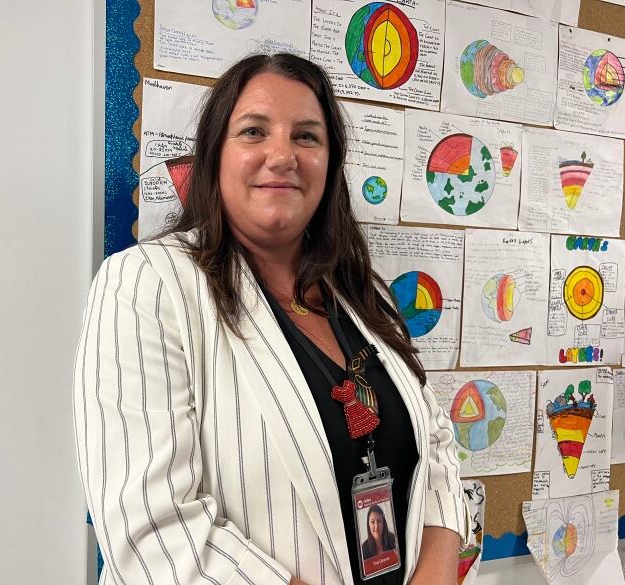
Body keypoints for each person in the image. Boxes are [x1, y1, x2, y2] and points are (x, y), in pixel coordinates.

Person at [74, 53, 469, 585]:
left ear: (330, 166)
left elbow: (437, 441)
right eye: (254, 131)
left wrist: (436, 575)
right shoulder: (147, 283)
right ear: (215, 155)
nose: (281, 155)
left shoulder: (357, 293)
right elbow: (153, 534)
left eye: (306, 137)